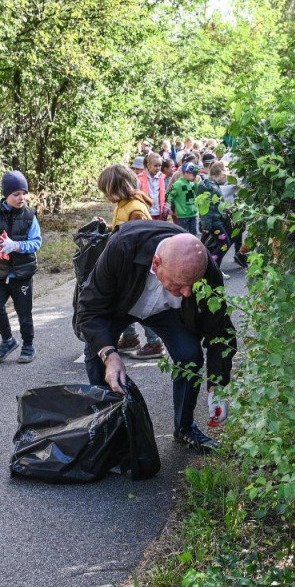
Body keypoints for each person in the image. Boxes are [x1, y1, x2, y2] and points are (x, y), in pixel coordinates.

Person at [76, 220, 235, 453]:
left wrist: (217, 388)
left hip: (165, 312)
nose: (187, 292)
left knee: (189, 355)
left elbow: (220, 332)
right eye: (180, 285)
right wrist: (110, 354)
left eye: (192, 285)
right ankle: (107, 428)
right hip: (121, 304)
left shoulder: (206, 272)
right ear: (157, 263)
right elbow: (89, 310)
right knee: (97, 354)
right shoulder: (122, 247)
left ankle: (184, 427)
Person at [97, 164, 165, 360]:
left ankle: (154, 343)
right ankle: (129, 338)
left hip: (134, 267)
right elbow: (121, 230)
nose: (105, 196)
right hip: (123, 265)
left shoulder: (135, 209)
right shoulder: (124, 204)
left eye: (106, 191)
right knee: (121, 304)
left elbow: (141, 240)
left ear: (117, 187)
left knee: (138, 304)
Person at [0, 170, 43, 363]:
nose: (21, 198)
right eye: (16, 194)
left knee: (23, 312)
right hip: (1, 272)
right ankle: (8, 340)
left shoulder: (29, 215)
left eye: (24, 193)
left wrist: (16, 246)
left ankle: (28, 345)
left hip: (22, 272)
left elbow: (37, 242)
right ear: (6, 195)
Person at [198, 162, 232, 279]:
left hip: (214, 222)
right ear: (222, 174)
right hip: (214, 223)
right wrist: (206, 226)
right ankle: (213, 269)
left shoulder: (211, 185)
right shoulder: (210, 187)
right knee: (224, 244)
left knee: (211, 246)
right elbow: (206, 208)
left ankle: (214, 269)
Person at [168, 162, 200, 236]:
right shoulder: (178, 184)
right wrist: (168, 205)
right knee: (183, 234)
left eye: (196, 174)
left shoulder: (192, 183)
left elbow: (197, 194)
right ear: (185, 173)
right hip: (183, 214)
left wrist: (196, 184)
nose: (195, 176)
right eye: (193, 174)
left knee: (193, 234)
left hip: (193, 213)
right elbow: (169, 194)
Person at [137, 153, 169, 222]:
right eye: (155, 166)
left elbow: (166, 193)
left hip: (159, 211)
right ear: (148, 165)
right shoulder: (140, 178)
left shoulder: (162, 177)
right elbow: (137, 193)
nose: (158, 168)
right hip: (146, 211)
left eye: (160, 166)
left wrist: (166, 206)